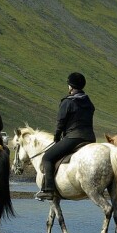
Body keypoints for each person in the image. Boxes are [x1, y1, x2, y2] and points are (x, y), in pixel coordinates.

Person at [34, 72, 96, 201]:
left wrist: (57, 136)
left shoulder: (67, 102)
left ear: (71, 86)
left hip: (73, 138)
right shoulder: (88, 102)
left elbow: (60, 122)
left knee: (47, 157)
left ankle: (49, 190)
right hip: (90, 138)